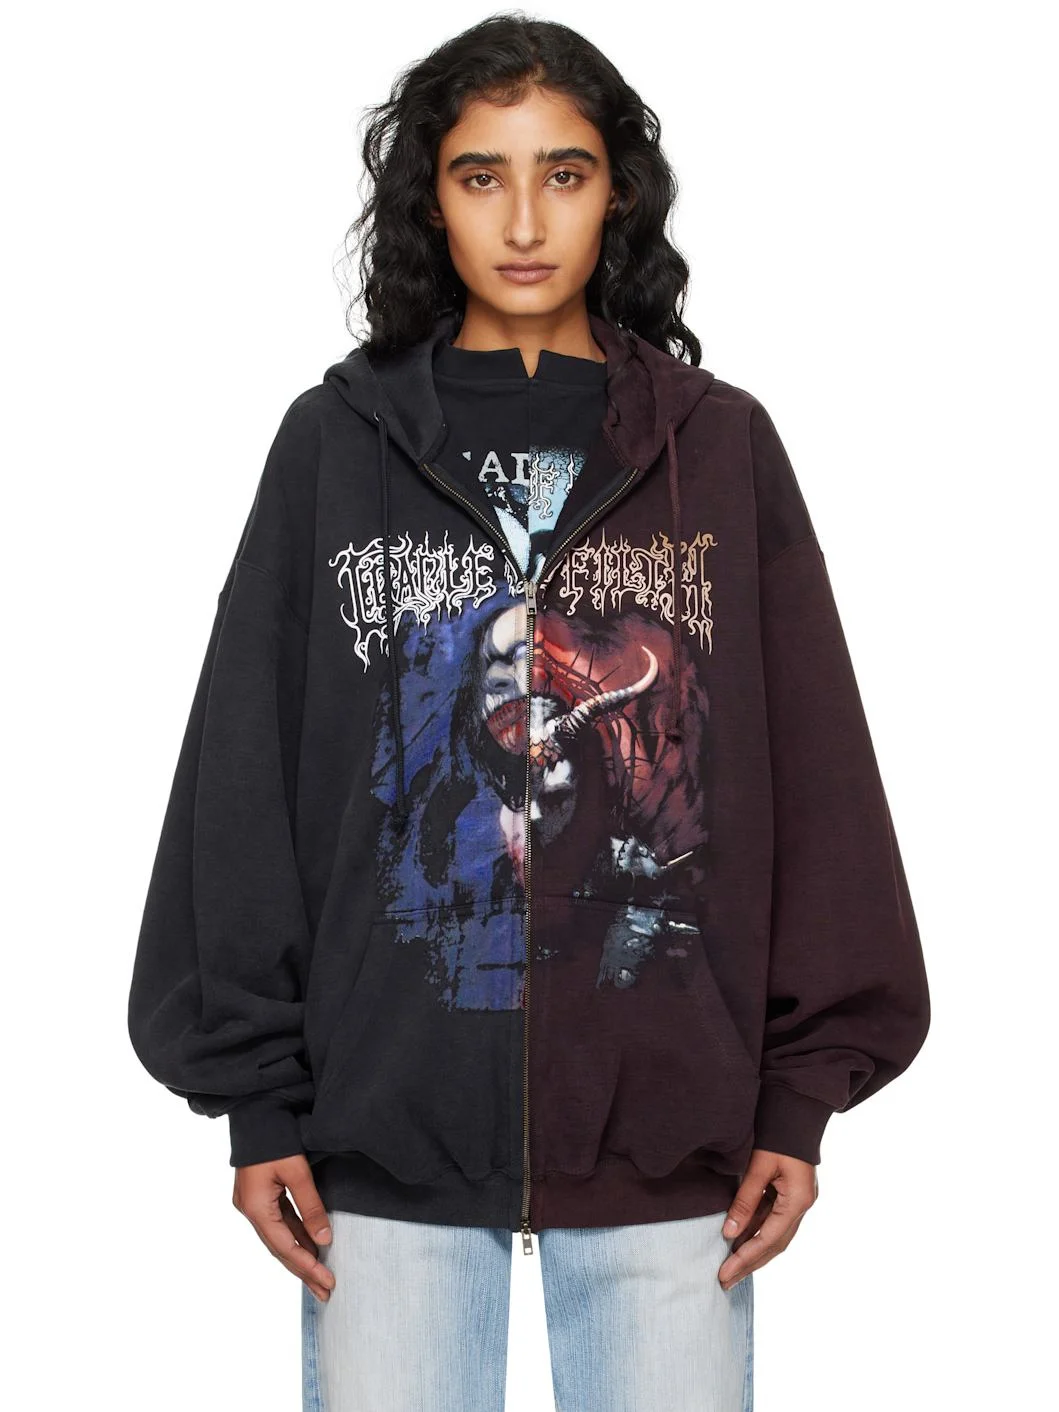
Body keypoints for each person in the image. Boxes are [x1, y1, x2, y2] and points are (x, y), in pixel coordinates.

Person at [127, 15, 930, 1412]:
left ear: (616, 193)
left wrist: (800, 1094)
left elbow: (811, 766)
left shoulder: (714, 446)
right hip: (380, 1137)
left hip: (674, 1137)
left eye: (562, 174)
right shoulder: (337, 442)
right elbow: (244, 766)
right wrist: (256, 1096)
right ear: (427, 198)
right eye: (478, 175)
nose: (521, 223)